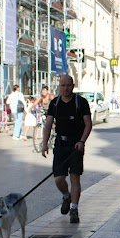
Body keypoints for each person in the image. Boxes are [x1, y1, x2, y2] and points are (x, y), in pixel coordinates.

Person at [41, 74, 92, 224]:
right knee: (58, 178)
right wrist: (44, 143)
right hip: (60, 145)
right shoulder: (55, 103)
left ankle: (74, 209)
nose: (65, 88)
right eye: (62, 85)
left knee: (75, 177)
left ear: (73, 85)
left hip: (76, 145)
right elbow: (48, 124)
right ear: (59, 87)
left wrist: (82, 141)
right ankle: (66, 195)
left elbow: (88, 123)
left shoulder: (80, 102)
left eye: (68, 85)